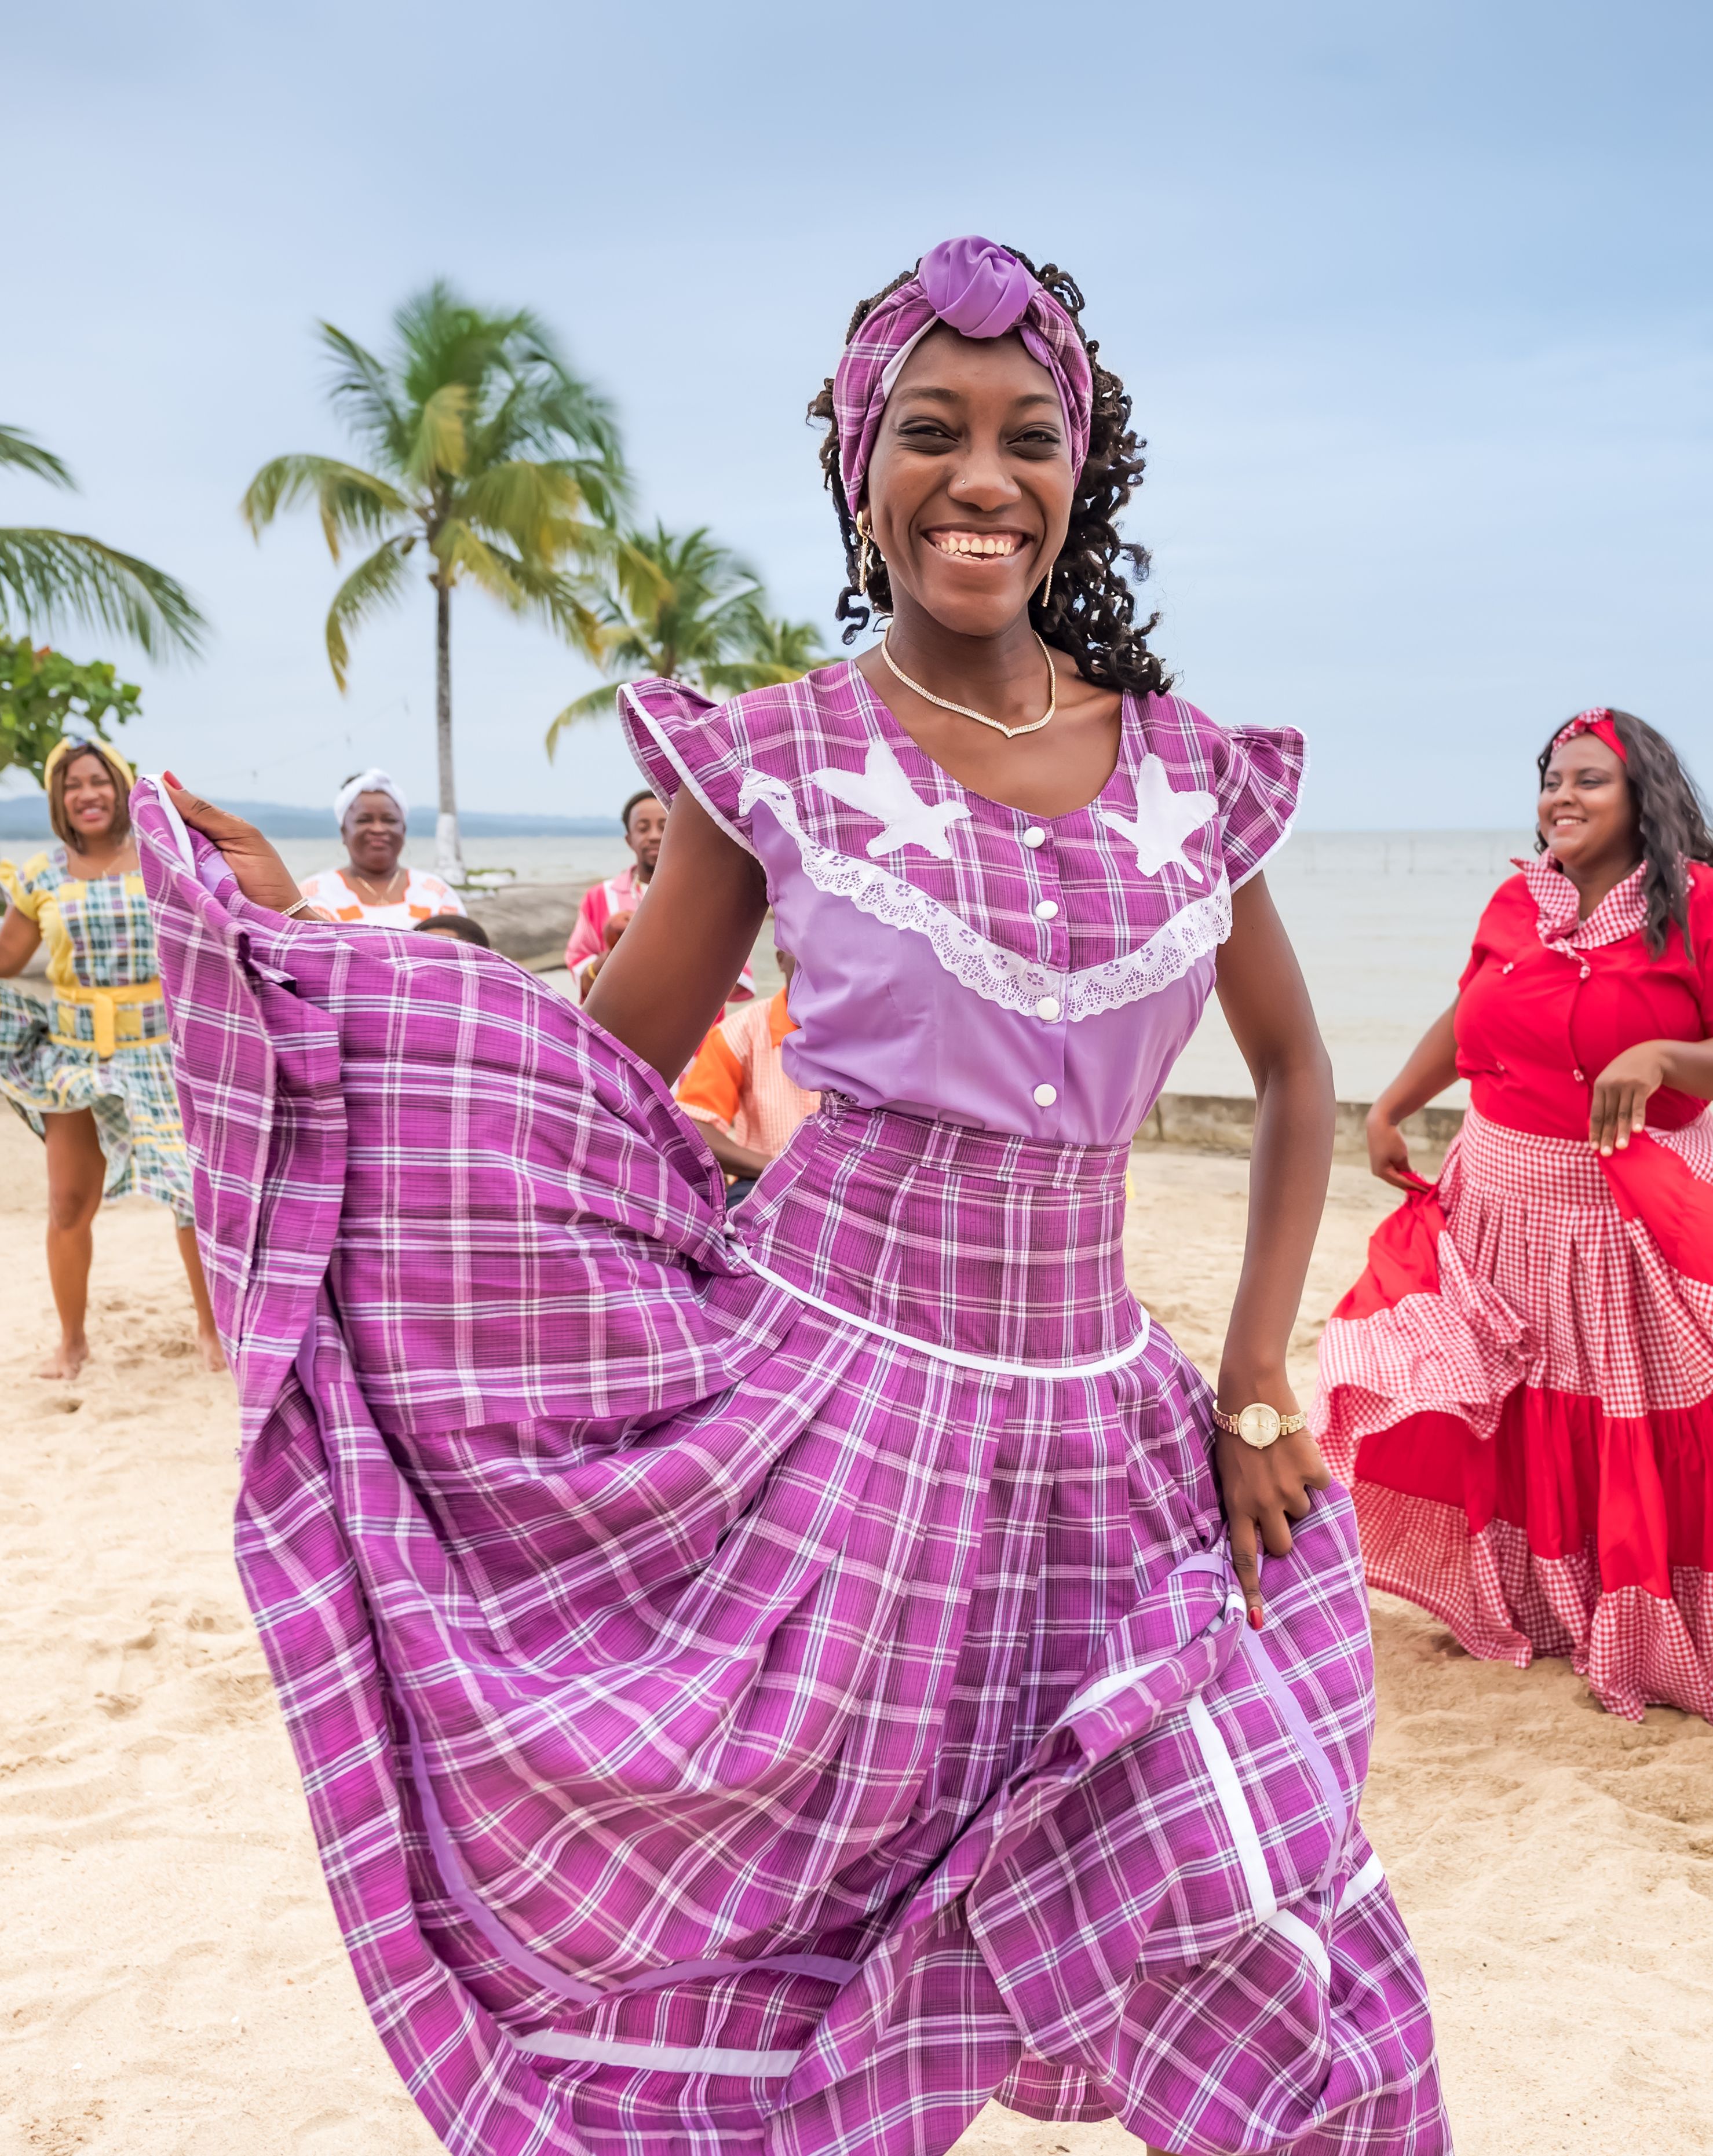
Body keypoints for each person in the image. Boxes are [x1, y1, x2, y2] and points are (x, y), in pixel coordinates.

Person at [141, 236, 1446, 2156]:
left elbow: (1297, 1071)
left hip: (1104, 1446)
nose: (979, 478)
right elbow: (585, 1080)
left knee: (1257, 1911)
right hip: (823, 1434)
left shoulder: (1186, 776)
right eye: (929, 432)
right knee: (786, 1947)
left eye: (1026, 437)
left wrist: (1255, 1377)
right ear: (860, 470)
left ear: (1079, 471)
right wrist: (308, 971)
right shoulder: (774, 758)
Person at [1314, 708, 1713, 1735]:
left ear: (1643, 797)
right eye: (1552, 778)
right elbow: (1470, 1010)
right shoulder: (1518, 900)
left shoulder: (1709, 906)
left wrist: (1661, 1057)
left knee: (1672, 1421)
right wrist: (1390, 1105)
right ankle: (1540, 1604)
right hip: (1497, 1200)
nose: (1562, 796)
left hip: (1620, 1212)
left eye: (1589, 779)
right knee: (1515, 1414)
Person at [0, 739, 224, 1379]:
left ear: (121, 789)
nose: (87, 794)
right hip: (73, 1055)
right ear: (58, 799)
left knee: (190, 1195)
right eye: (72, 785)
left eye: (99, 781)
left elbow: (209, 936)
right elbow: (5, 958)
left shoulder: (163, 861)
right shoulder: (42, 875)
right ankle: (72, 1342)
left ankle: (211, 1329)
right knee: (69, 1204)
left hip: (160, 1054)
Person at [674, 947, 814, 1201]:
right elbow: (692, 1127)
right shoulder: (738, 1033)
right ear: (780, 959)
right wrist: (782, 1166)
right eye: (805, 948)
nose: (817, 960)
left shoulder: (867, 1034)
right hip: (762, 1181)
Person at [297, 767, 469, 925]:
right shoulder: (313, 896)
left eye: (390, 820)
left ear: (404, 830)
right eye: (364, 820)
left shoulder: (437, 893)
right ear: (344, 832)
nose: (378, 829)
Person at [562, 790, 664, 992]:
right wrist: (611, 957)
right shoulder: (599, 897)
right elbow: (581, 976)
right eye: (643, 828)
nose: (654, 836)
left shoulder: (702, 896)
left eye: (665, 827)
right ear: (629, 840)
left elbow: (727, 980)